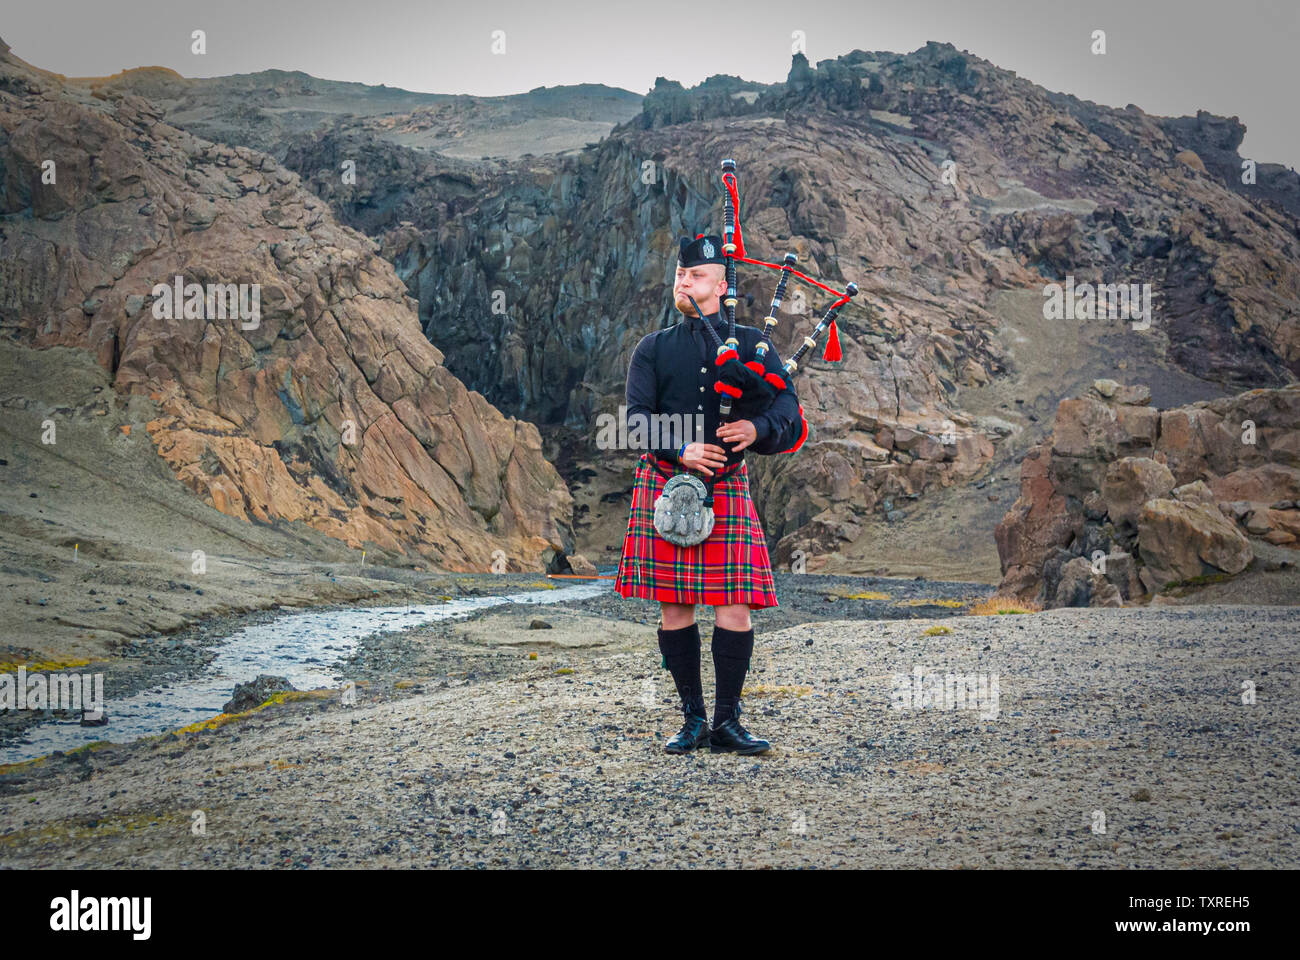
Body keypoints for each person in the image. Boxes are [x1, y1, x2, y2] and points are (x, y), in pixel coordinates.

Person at [613, 233, 801, 755]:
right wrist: (683, 450)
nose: (683, 282)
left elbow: (789, 412)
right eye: (679, 274)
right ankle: (692, 718)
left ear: (721, 285)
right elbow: (636, 422)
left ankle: (727, 722)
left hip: (727, 487)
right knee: (675, 608)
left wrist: (756, 431)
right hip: (669, 484)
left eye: (694, 276)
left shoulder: (753, 346)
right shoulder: (652, 348)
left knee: (733, 609)